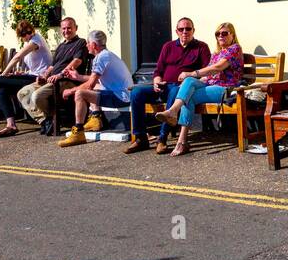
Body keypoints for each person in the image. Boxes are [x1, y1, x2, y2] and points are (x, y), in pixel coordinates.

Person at [155, 22, 245, 156]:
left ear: (232, 35)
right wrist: (188, 84)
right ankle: (175, 116)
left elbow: (217, 68)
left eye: (224, 33)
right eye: (218, 34)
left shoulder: (235, 49)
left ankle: (180, 136)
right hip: (210, 84)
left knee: (189, 90)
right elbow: (207, 77)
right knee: (189, 84)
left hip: (225, 88)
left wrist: (192, 73)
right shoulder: (216, 53)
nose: (221, 36)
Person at [124, 16, 211, 154]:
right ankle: (141, 138)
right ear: (176, 31)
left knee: (175, 90)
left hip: (182, 89)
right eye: (181, 29)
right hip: (163, 86)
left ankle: (162, 138)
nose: (184, 32)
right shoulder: (168, 46)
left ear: (193, 30)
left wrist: (190, 76)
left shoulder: (201, 47)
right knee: (136, 92)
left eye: (188, 29)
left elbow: (207, 71)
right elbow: (158, 70)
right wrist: (157, 81)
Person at [59, 31, 134, 147]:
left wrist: (71, 91)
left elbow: (90, 85)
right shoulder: (107, 55)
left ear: (93, 45)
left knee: (80, 93)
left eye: (88, 43)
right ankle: (96, 118)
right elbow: (96, 80)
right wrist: (78, 77)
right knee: (93, 88)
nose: (86, 45)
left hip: (120, 97)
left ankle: (78, 132)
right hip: (124, 93)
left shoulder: (100, 57)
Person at [22, 17, 89, 133]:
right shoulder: (61, 46)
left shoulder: (80, 43)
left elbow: (76, 62)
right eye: (63, 28)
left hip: (66, 81)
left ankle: (52, 119)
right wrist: (44, 76)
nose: (66, 31)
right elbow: (52, 66)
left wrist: (60, 75)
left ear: (76, 28)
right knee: (22, 94)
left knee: (36, 96)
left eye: (69, 28)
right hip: (51, 80)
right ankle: (45, 120)